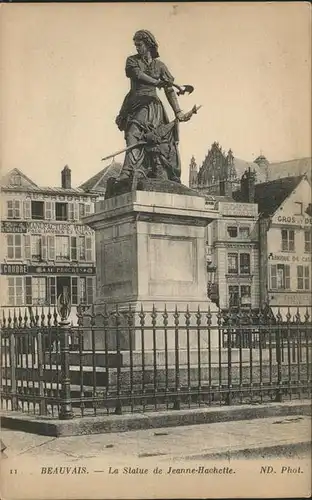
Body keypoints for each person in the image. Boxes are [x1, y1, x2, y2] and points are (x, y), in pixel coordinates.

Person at [116, 30, 185, 183]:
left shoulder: (160, 66)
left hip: (151, 106)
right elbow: (137, 75)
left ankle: (130, 171)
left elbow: (169, 90)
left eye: (140, 45)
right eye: (136, 45)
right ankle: (131, 171)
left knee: (141, 135)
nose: (137, 48)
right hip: (134, 103)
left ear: (148, 45)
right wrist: (156, 82)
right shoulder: (132, 61)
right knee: (132, 134)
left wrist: (178, 111)